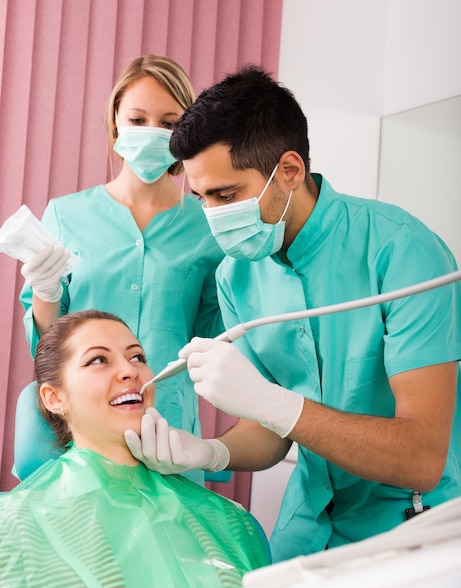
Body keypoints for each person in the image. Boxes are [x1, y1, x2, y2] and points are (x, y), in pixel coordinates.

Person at [125, 65, 461, 561]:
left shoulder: (402, 252)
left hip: (409, 523)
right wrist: (211, 451)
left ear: (289, 171)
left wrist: (280, 407)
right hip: (310, 522)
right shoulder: (236, 275)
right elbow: (269, 429)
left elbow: (421, 458)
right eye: (202, 198)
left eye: (227, 195)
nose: (213, 215)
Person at [17, 54, 224, 483]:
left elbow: (216, 341)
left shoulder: (210, 229)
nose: (152, 132)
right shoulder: (66, 215)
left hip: (167, 426)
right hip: (83, 427)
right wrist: (45, 292)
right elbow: (47, 347)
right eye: (137, 118)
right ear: (116, 123)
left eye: (168, 123)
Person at [0, 310, 269, 588]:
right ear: (54, 398)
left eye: (138, 357)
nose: (130, 370)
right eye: (98, 360)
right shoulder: (14, 525)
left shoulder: (229, 520)